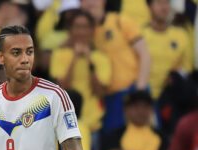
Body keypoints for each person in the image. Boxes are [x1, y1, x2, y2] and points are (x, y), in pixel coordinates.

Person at [81, 0, 151, 132]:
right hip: (108, 99)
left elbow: (145, 54)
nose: (90, 2)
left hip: (133, 91)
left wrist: (140, 91)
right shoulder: (85, 33)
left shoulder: (120, 21)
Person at [49, 9, 111, 135]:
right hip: (65, 121)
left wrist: (89, 60)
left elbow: (99, 91)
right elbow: (62, 86)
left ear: (92, 30)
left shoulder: (102, 58)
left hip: (92, 122)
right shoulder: (59, 54)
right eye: (77, 27)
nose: (81, 32)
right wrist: (75, 58)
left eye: (85, 27)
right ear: (70, 30)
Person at [142, 0, 192, 101]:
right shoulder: (139, 35)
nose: (164, 7)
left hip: (170, 98)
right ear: (149, 6)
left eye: (167, 3)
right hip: (143, 97)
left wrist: (176, 77)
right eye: (159, 3)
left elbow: (187, 68)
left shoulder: (181, 35)